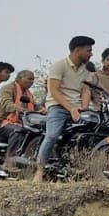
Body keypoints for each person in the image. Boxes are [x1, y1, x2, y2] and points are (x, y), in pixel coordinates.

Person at [32, 37, 95, 182]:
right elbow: (54, 91)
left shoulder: (85, 71)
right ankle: (39, 171)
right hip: (58, 107)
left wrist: (84, 108)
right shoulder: (59, 66)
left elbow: (86, 90)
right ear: (77, 50)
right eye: (88, 50)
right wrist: (71, 108)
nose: (91, 54)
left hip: (77, 108)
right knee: (52, 136)